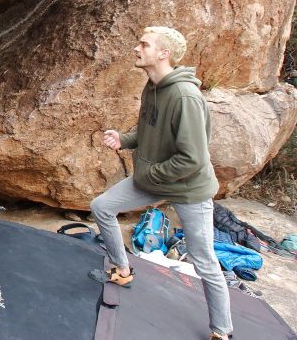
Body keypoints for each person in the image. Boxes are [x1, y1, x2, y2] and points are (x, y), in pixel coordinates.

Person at [90, 26, 232, 340]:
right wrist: (124, 140)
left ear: (163, 53)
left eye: (144, 44)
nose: (136, 48)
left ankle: (222, 330)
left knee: (203, 258)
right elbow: (147, 129)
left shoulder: (184, 96)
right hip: (154, 177)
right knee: (102, 207)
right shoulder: (152, 87)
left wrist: (149, 177)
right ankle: (123, 270)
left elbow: (192, 159)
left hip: (188, 188)